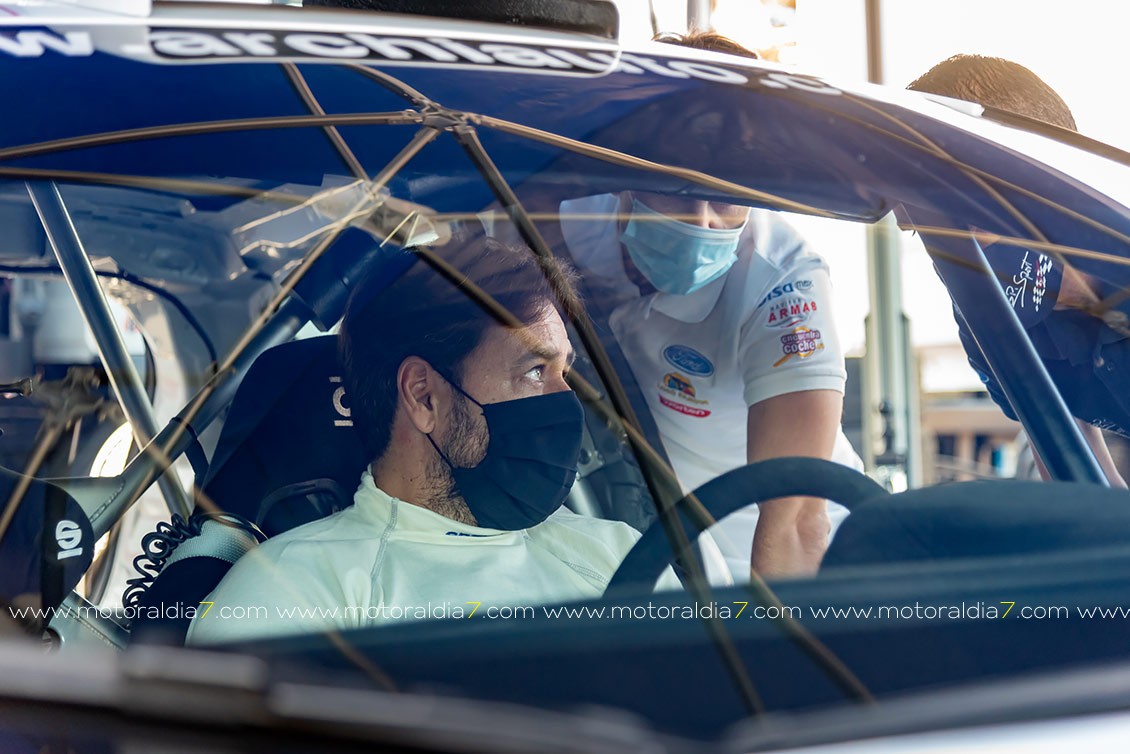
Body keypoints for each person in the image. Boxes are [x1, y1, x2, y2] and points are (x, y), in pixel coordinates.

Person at [187, 237, 643, 642]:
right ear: (424, 396)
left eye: (565, 372)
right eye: (535, 371)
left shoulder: (620, 555)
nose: (567, 400)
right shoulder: (290, 596)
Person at [559, 31, 855, 579]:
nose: (703, 221)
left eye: (727, 196)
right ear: (625, 174)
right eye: (677, 187)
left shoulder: (784, 285)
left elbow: (796, 521)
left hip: (796, 569)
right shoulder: (567, 221)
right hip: (672, 553)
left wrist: (777, 627)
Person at [908, 54, 1128, 487]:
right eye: (921, 218)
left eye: (972, 207)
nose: (954, 239)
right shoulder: (988, 314)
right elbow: (1080, 484)